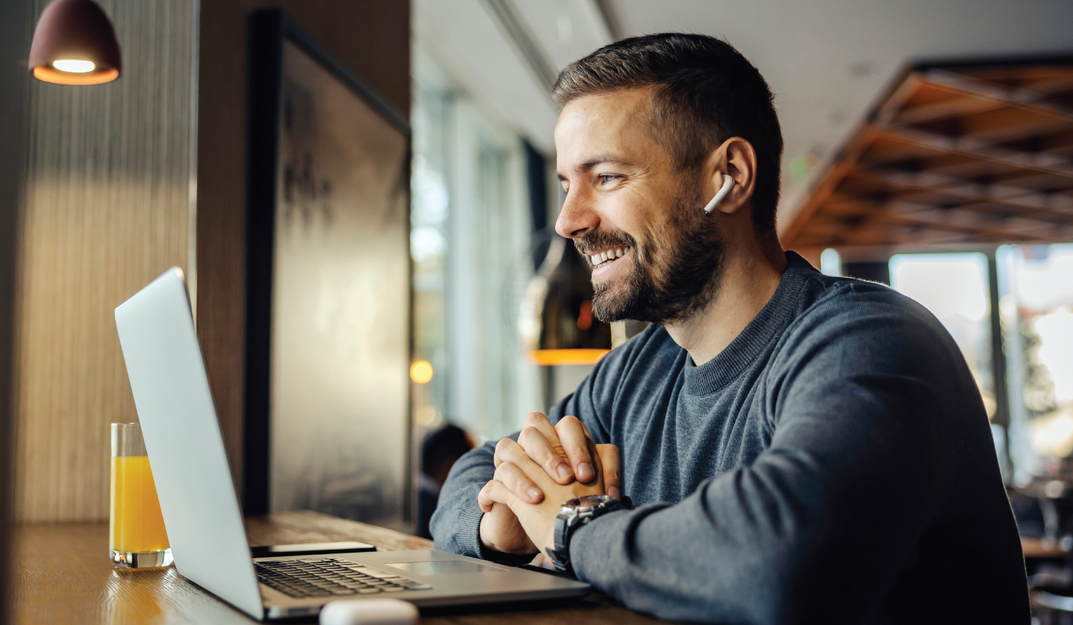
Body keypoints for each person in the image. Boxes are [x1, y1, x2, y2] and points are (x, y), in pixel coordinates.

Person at [430, 33, 1029, 624]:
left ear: (730, 177)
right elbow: (475, 470)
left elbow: (771, 564)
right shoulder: (634, 374)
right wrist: (501, 523)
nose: (568, 220)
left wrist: (570, 527)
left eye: (606, 177)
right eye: (566, 184)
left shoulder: (873, 341)